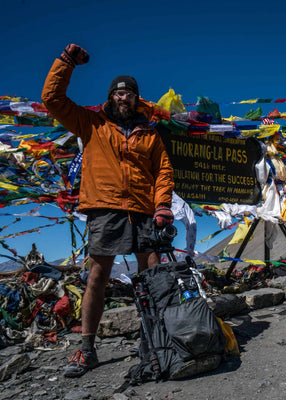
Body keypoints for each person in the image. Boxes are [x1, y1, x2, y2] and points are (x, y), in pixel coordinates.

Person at [42, 44, 175, 378]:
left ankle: (154, 339)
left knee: (152, 276)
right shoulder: (91, 124)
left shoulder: (150, 134)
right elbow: (52, 99)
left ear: (137, 99)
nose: (123, 98)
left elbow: (163, 171)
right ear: (109, 97)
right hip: (105, 209)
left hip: (146, 211)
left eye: (130, 93)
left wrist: (163, 206)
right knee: (98, 277)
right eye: (118, 93)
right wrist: (66, 63)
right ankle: (86, 349)